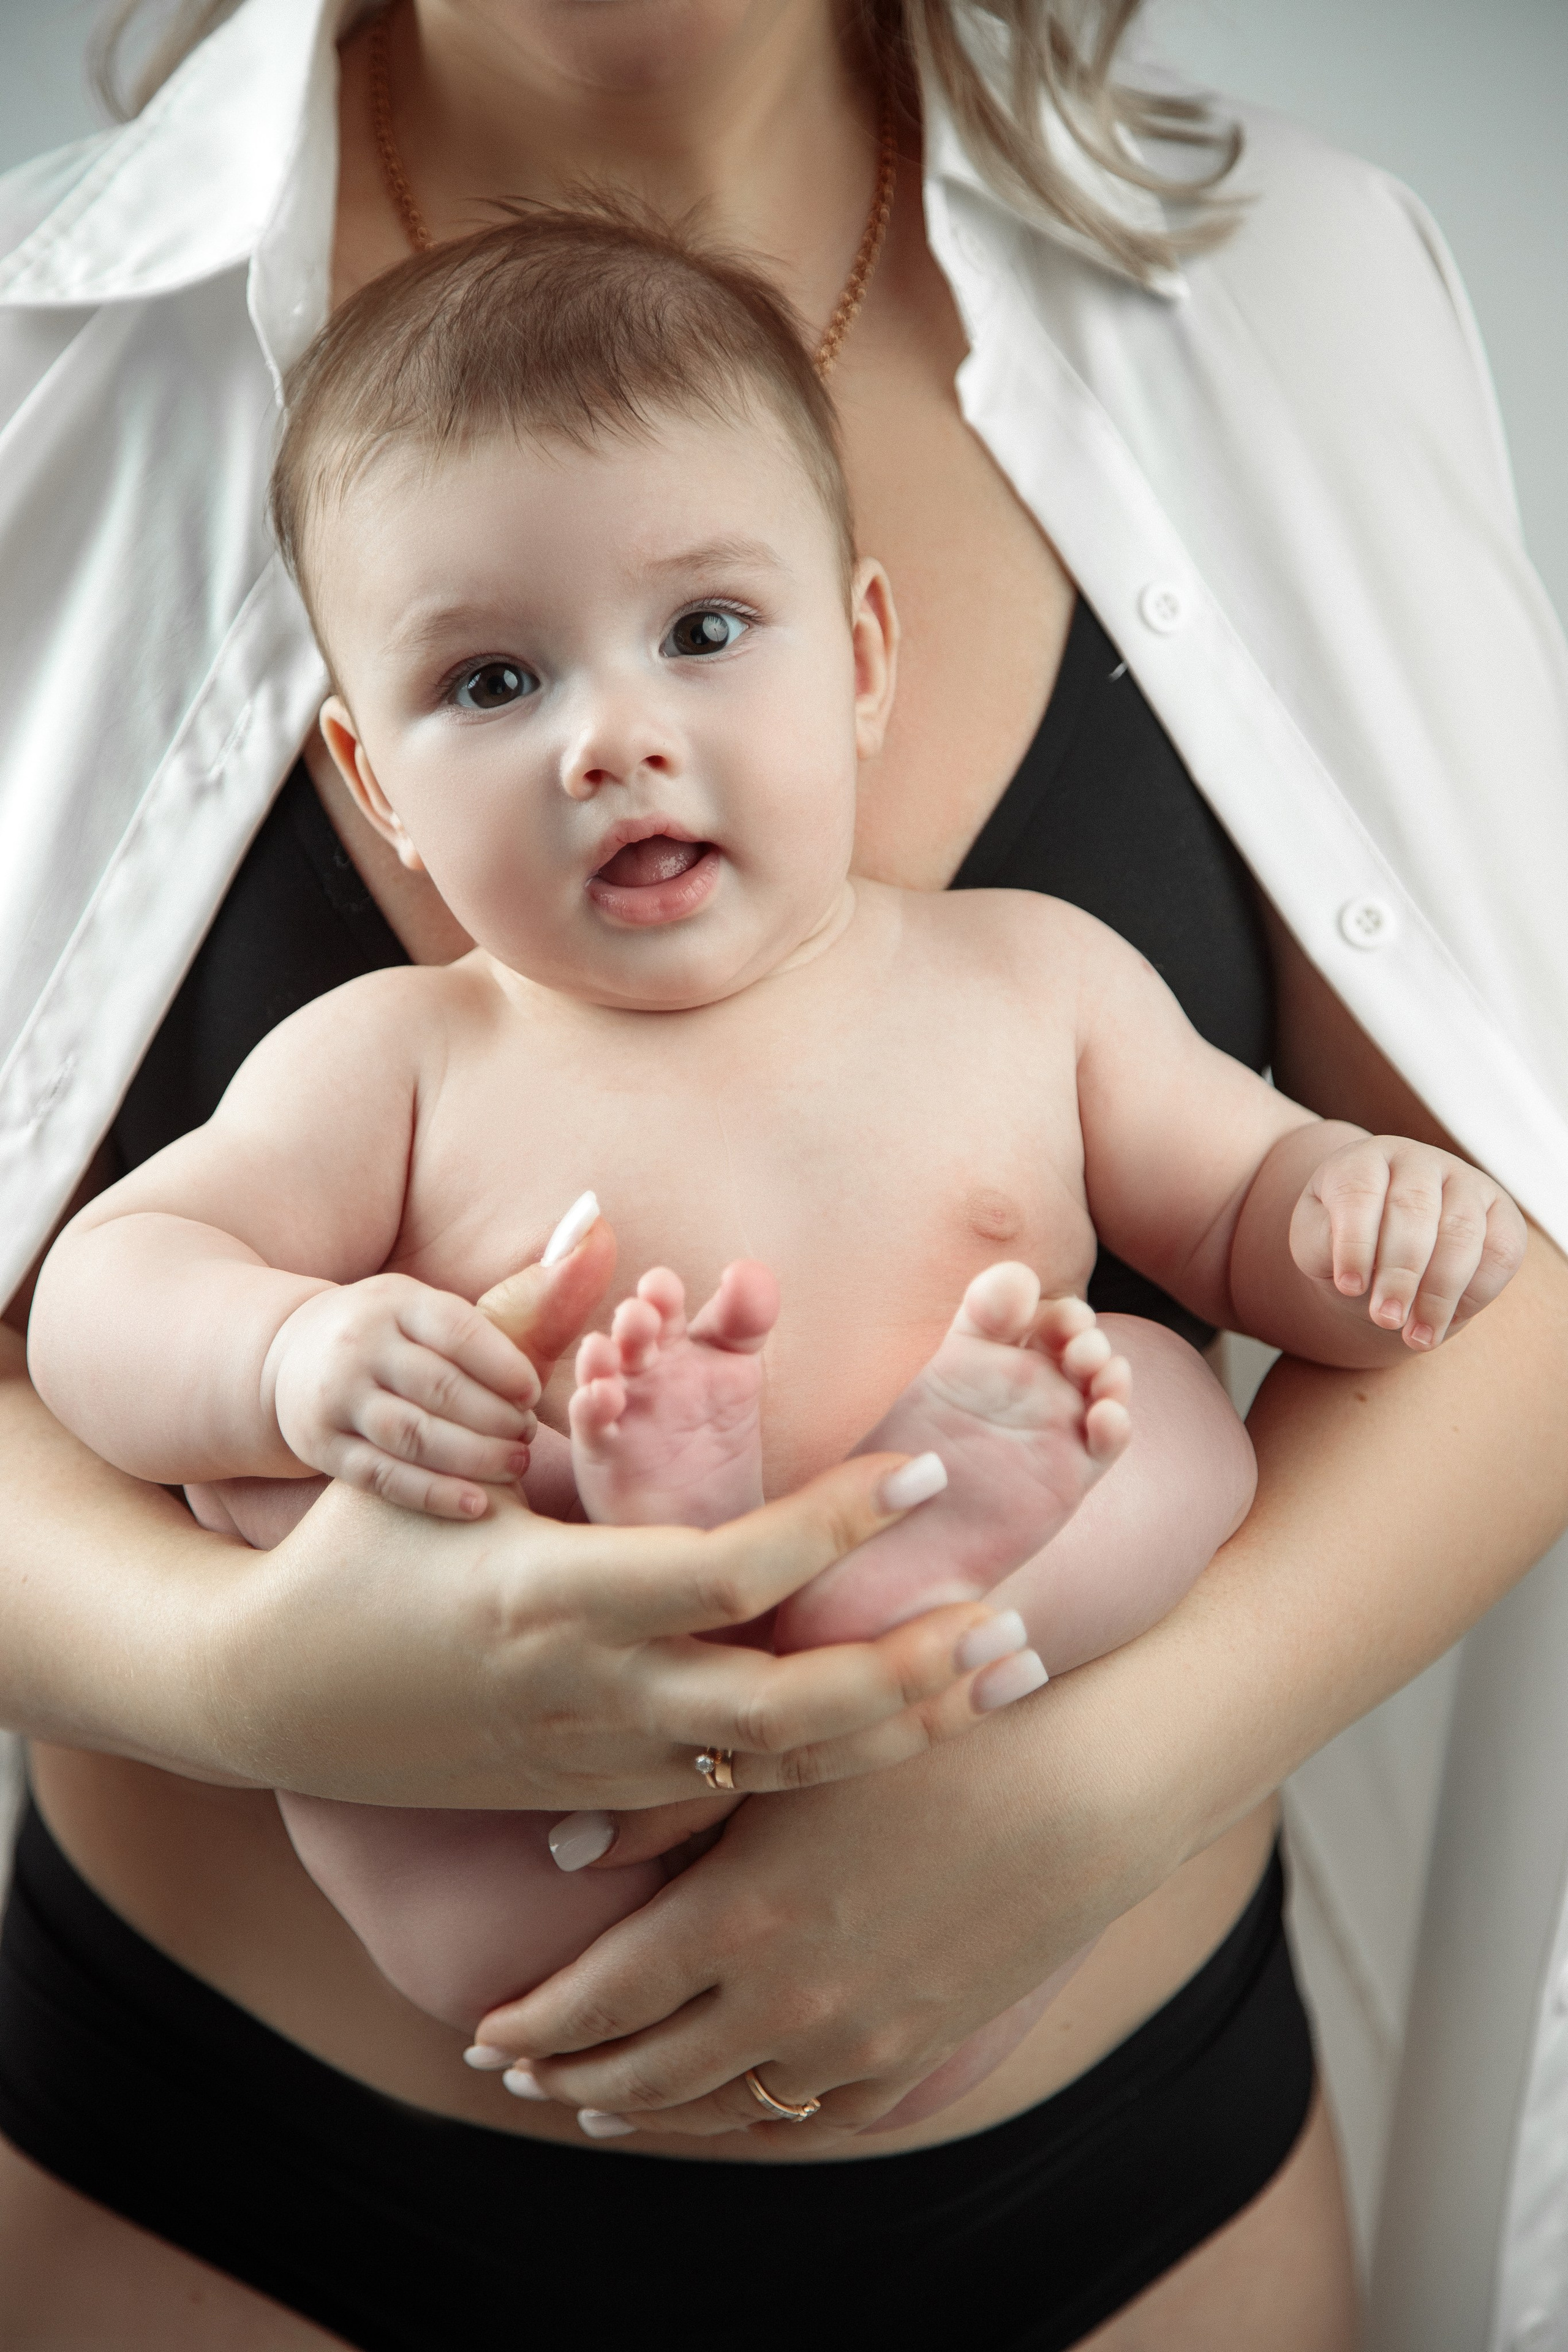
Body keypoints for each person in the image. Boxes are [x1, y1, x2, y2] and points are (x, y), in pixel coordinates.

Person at [0, 1, 1565, 2346]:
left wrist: (1352, 1237)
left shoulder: (1044, 934)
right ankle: (692, 1547)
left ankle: (855, 1569)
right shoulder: (392, 1056)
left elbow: (1462, 1237)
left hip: (1108, 2177)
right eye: (492, 686)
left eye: (704, 633)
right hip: (263, 2163)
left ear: (857, 659)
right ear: (376, 770)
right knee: (357, 1496)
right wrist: (267, 1566)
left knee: (1161, 1417)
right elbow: (120, 1294)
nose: (617, 733)